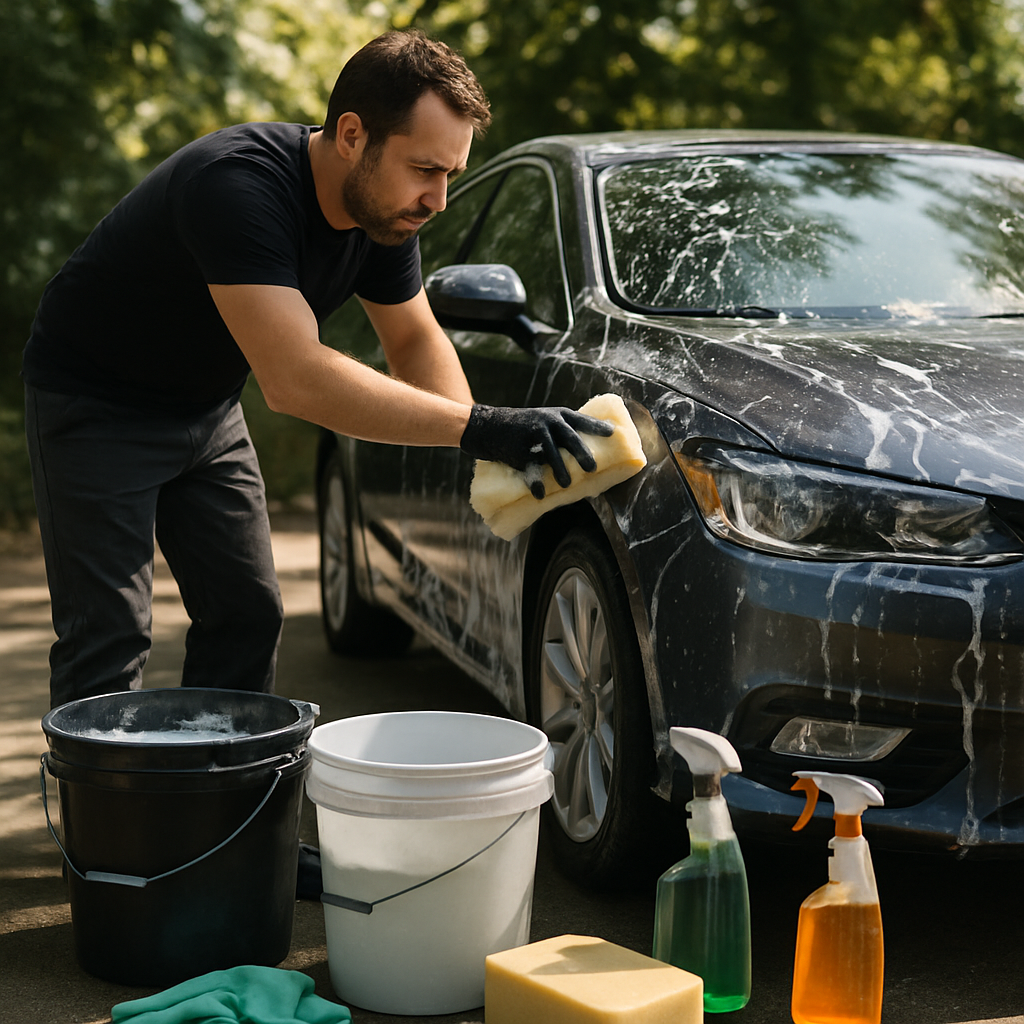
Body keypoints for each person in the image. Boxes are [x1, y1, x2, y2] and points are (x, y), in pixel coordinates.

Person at [22, 29, 612, 717]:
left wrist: (488, 462)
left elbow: (414, 340)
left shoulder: (382, 215)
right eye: (425, 169)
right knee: (109, 639)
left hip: (206, 409)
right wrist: (481, 426)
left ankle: (220, 786)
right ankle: (97, 792)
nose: (438, 199)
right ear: (353, 135)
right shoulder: (236, 186)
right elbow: (294, 377)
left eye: (450, 174)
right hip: (94, 404)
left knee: (247, 616)